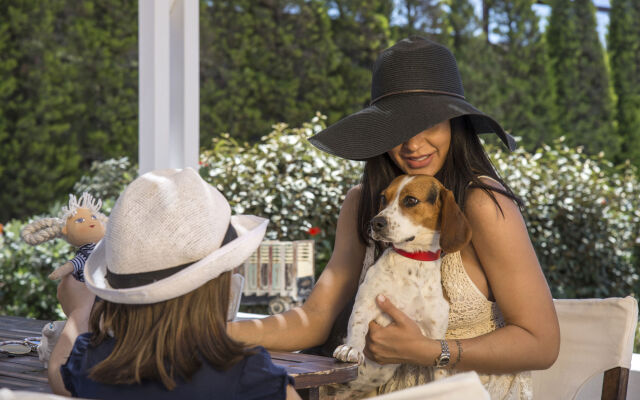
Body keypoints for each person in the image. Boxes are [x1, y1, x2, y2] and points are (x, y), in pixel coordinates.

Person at [228, 37, 560, 399]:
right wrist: (215, 334)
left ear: (455, 123)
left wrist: (430, 351)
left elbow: (541, 343)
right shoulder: (362, 204)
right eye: (397, 129)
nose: (413, 145)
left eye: (429, 124)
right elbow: (316, 318)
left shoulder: (480, 203)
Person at [47, 168, 301, 400]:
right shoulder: (247, 373)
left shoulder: (95, 362)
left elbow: (58, 375)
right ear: (222, 281)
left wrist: (80, 313)